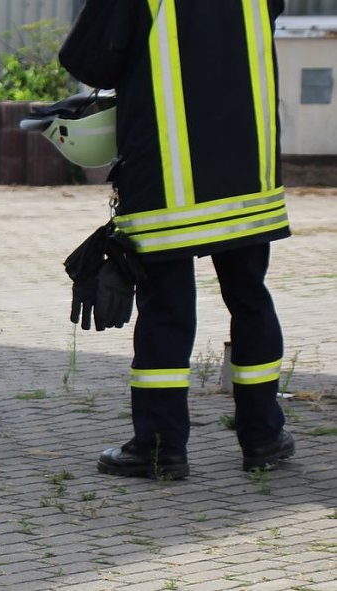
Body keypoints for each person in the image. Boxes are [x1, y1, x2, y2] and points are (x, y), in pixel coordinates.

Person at [59, 0, 294, 479]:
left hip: (168, 176)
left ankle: (160, 446)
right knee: (250, 297)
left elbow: (89, 61)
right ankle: (264, 436)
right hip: (247, 172)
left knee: (166, 308)